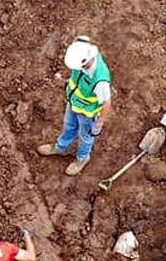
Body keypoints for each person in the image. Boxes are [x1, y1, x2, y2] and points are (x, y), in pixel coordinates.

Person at [37, 36, 112, 176]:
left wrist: (99, 124)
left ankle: (82, 158)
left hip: (88, 114)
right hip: (73, 103)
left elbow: (107, 103)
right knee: (69, 126)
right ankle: (61, 147)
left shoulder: (100, 79)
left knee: (85, 137)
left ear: (86, 61)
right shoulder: (81, 54)